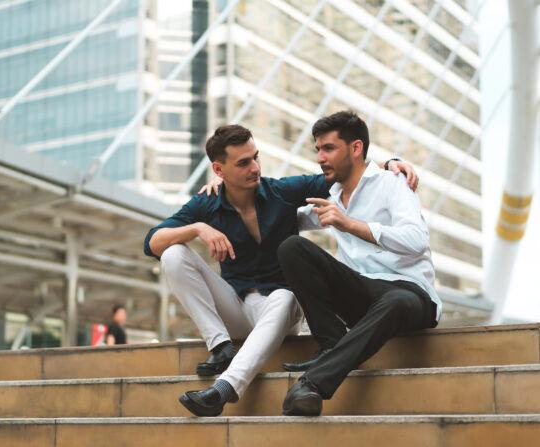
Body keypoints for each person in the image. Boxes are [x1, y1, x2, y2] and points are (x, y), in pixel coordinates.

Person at [143, 124, 417, 417]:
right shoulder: (206, 204)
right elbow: (152, 242)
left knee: (285, 297)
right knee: (173, 254)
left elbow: (348, 173)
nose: (255, 168)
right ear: (219, 170)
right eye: (243, 163)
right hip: (237, 307)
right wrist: (198, 228)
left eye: (255, 157)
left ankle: (224, 389)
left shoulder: (282, 192)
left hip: (280, 312)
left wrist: (388, 163)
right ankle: (221, 346)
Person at [277, 110, 441, 416]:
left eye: (328, 148)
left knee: (395, 301)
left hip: (409, 293)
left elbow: (416, 239)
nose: (320, 157)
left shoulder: (392, 183)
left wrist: (350, 224)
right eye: (318, 150)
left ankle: (312, 385)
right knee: (292, 248)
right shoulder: (332, 196)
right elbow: (281, 219)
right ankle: (331, 344)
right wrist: (231, 194)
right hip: (362, 295)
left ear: (355, 148)